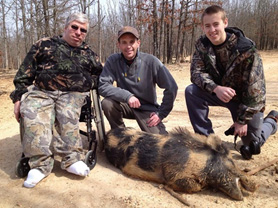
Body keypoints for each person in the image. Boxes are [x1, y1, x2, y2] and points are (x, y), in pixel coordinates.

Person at [10, 12, 103, 188]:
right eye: (74, 27)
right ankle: (40, 165)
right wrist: (18, 98)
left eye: (83, 30)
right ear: (65, 27)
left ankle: (71, 159)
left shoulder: (89, 54)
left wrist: (84, 83)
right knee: (32, 110)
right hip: (43, 91)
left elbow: (100, 77)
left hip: (73, 94)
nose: (78, 32)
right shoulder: (43, 45)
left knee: (67, 113)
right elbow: (24, 75)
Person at [185, 5, 278, 160]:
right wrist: (215, 88)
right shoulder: (202, 45)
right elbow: (196, 73)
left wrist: (242, 121)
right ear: (202, 27)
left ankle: (272, 121)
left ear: (225, 23)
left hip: (245, 102)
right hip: (220, 94)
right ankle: (207, 140)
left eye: (216, 24)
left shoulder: (246, 49)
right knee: (191, 91)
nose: (212, 30)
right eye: (207, 26)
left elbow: (256, 92)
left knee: (252, 146)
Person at [98, 26, 178, 134]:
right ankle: (120, 135)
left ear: (138, 43)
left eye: (132, 42)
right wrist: (127, 96)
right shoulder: (113, 61)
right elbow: (103, 85)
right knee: (107, 103)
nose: (128, 46)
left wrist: (161, 114)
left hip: (147, 109)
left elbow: (172, 87)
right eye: (124, 42)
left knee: (161, 142)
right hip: (125, 104)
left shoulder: (151, 61)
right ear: (119, 45)